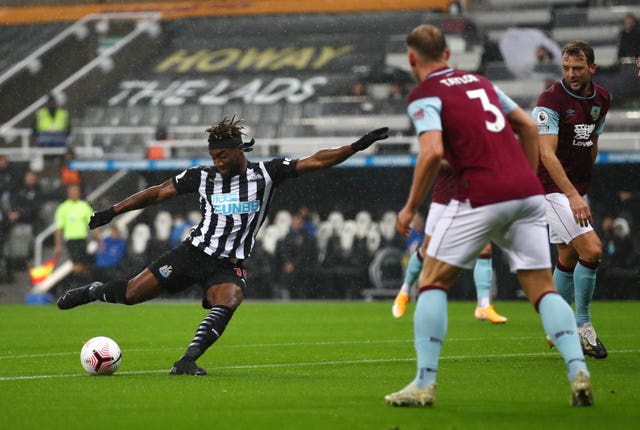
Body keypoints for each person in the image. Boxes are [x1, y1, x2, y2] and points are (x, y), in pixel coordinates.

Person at [56, 116, 389, 375]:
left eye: (223, 155)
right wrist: (112, 211)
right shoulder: (201, 177)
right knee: (130, 295)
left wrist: (356, 146)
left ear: (239, 149)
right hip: (193, 253)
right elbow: (157, 192)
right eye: (213, 155)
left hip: (229, 263)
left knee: (230, 299)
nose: (217, 161)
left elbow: (317, 161)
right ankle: (93, 292)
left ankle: (186, 361)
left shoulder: (267, 173)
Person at [385, 24, 592, 407]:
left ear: (412, 59)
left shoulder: (424, 94)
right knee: (542, 289)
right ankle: (578, 371)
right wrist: (527, 181)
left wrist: (411, 207)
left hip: (481, 193)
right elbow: (528, 126)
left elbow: (431, 152)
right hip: (528, 193)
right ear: (447, 55)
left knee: (432, 281)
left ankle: (423, 384)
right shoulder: (479, 82)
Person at [531, 40, 610, 360]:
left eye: (577, 68)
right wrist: (573, 195)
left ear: (592, 68)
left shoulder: (602, 98)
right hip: (552, 190)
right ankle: (582, 325)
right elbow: (546, 154)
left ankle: (554, 326)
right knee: (592, 250)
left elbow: (592, 140)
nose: (571, 74)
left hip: (577, 187)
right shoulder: (549, 100)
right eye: (566, 68)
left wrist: (582, 183)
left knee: (567, 256)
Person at [392, 167, 507, 324]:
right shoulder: (444, 142)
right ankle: (404, 291)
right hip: (445, 199)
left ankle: (483, 305)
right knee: (427, 250)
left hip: (471, 198)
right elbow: (437, 160)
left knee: (485, 248)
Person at [54, 184, 97, 286]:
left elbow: (93, 224)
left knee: (84, 266)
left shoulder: (84, 206)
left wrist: (99, 239)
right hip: (71, 241)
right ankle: (77, 287)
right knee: (77, 266)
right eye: (72, 191)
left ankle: (83, 287)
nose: (74, 193)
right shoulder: (63, 208)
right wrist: (58, 244)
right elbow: (59, 228)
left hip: (82, 240)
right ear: (68, 193)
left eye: (76, 191)